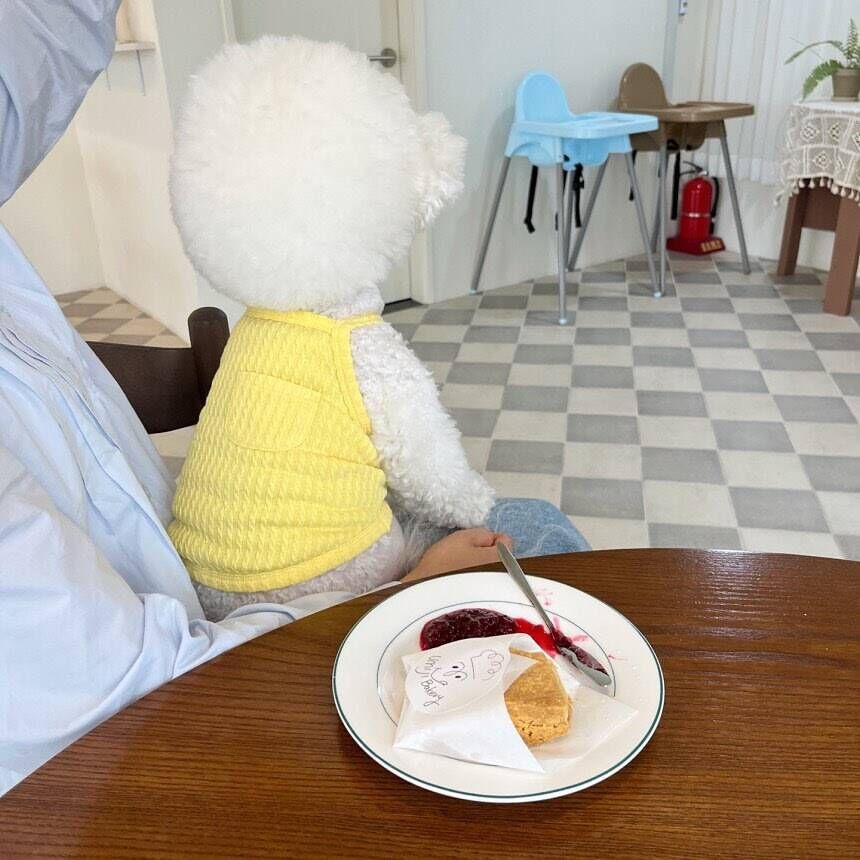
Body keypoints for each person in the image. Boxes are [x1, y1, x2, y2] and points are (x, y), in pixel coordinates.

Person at [0, 0, 586, 794]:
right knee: (529, 532)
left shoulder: (259, 328)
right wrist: (404, 591)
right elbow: (135, 694)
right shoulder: (349, 340)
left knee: (526, 533)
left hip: (199, 571)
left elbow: (36, 56)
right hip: (204, 700)